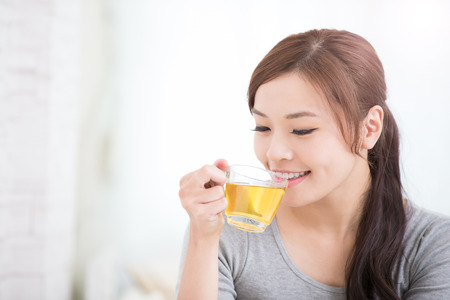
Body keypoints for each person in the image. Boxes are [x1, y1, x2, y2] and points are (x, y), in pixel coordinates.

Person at [176, 29, 450, 299]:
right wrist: (203, 238)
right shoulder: (224, 228)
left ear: (369, 128)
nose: (274, 153)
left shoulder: (434, 245)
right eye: (262, 127)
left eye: (302, 130)